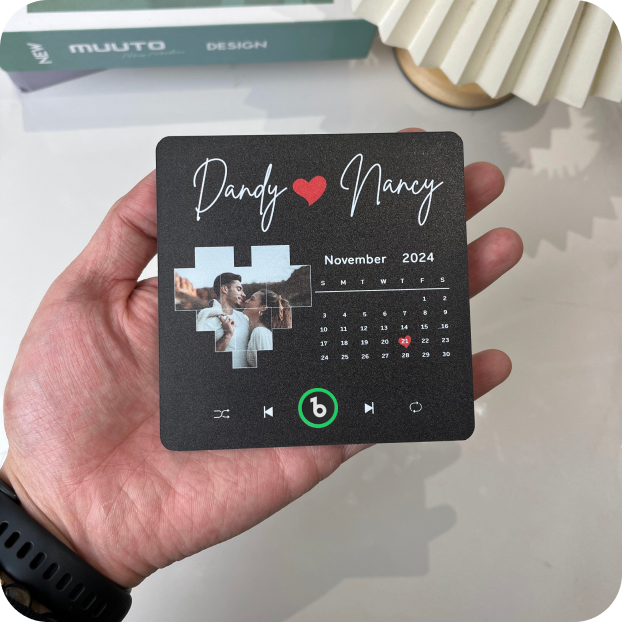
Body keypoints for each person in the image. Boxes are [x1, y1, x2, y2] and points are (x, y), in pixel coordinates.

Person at [0, 129, 522, 598]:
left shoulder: (261, 320)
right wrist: (59, 517)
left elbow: (274, 332)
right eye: (236, 286)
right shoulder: (208, 317)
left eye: (245, 287)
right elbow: (226, 344)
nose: (244, 290)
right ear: (223, 290)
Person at [196, 272, 250, 368]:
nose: (244, 294)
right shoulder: (207, 320)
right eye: (239, 289)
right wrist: (227, 335)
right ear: (225, 289)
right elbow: (204, 358)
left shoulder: (244, 319)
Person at [243, 290, 292, 367]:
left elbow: (267, 368)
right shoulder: (258, 332)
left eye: (252, 299)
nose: (246, 301)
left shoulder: (260, 332)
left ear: (263, 307)